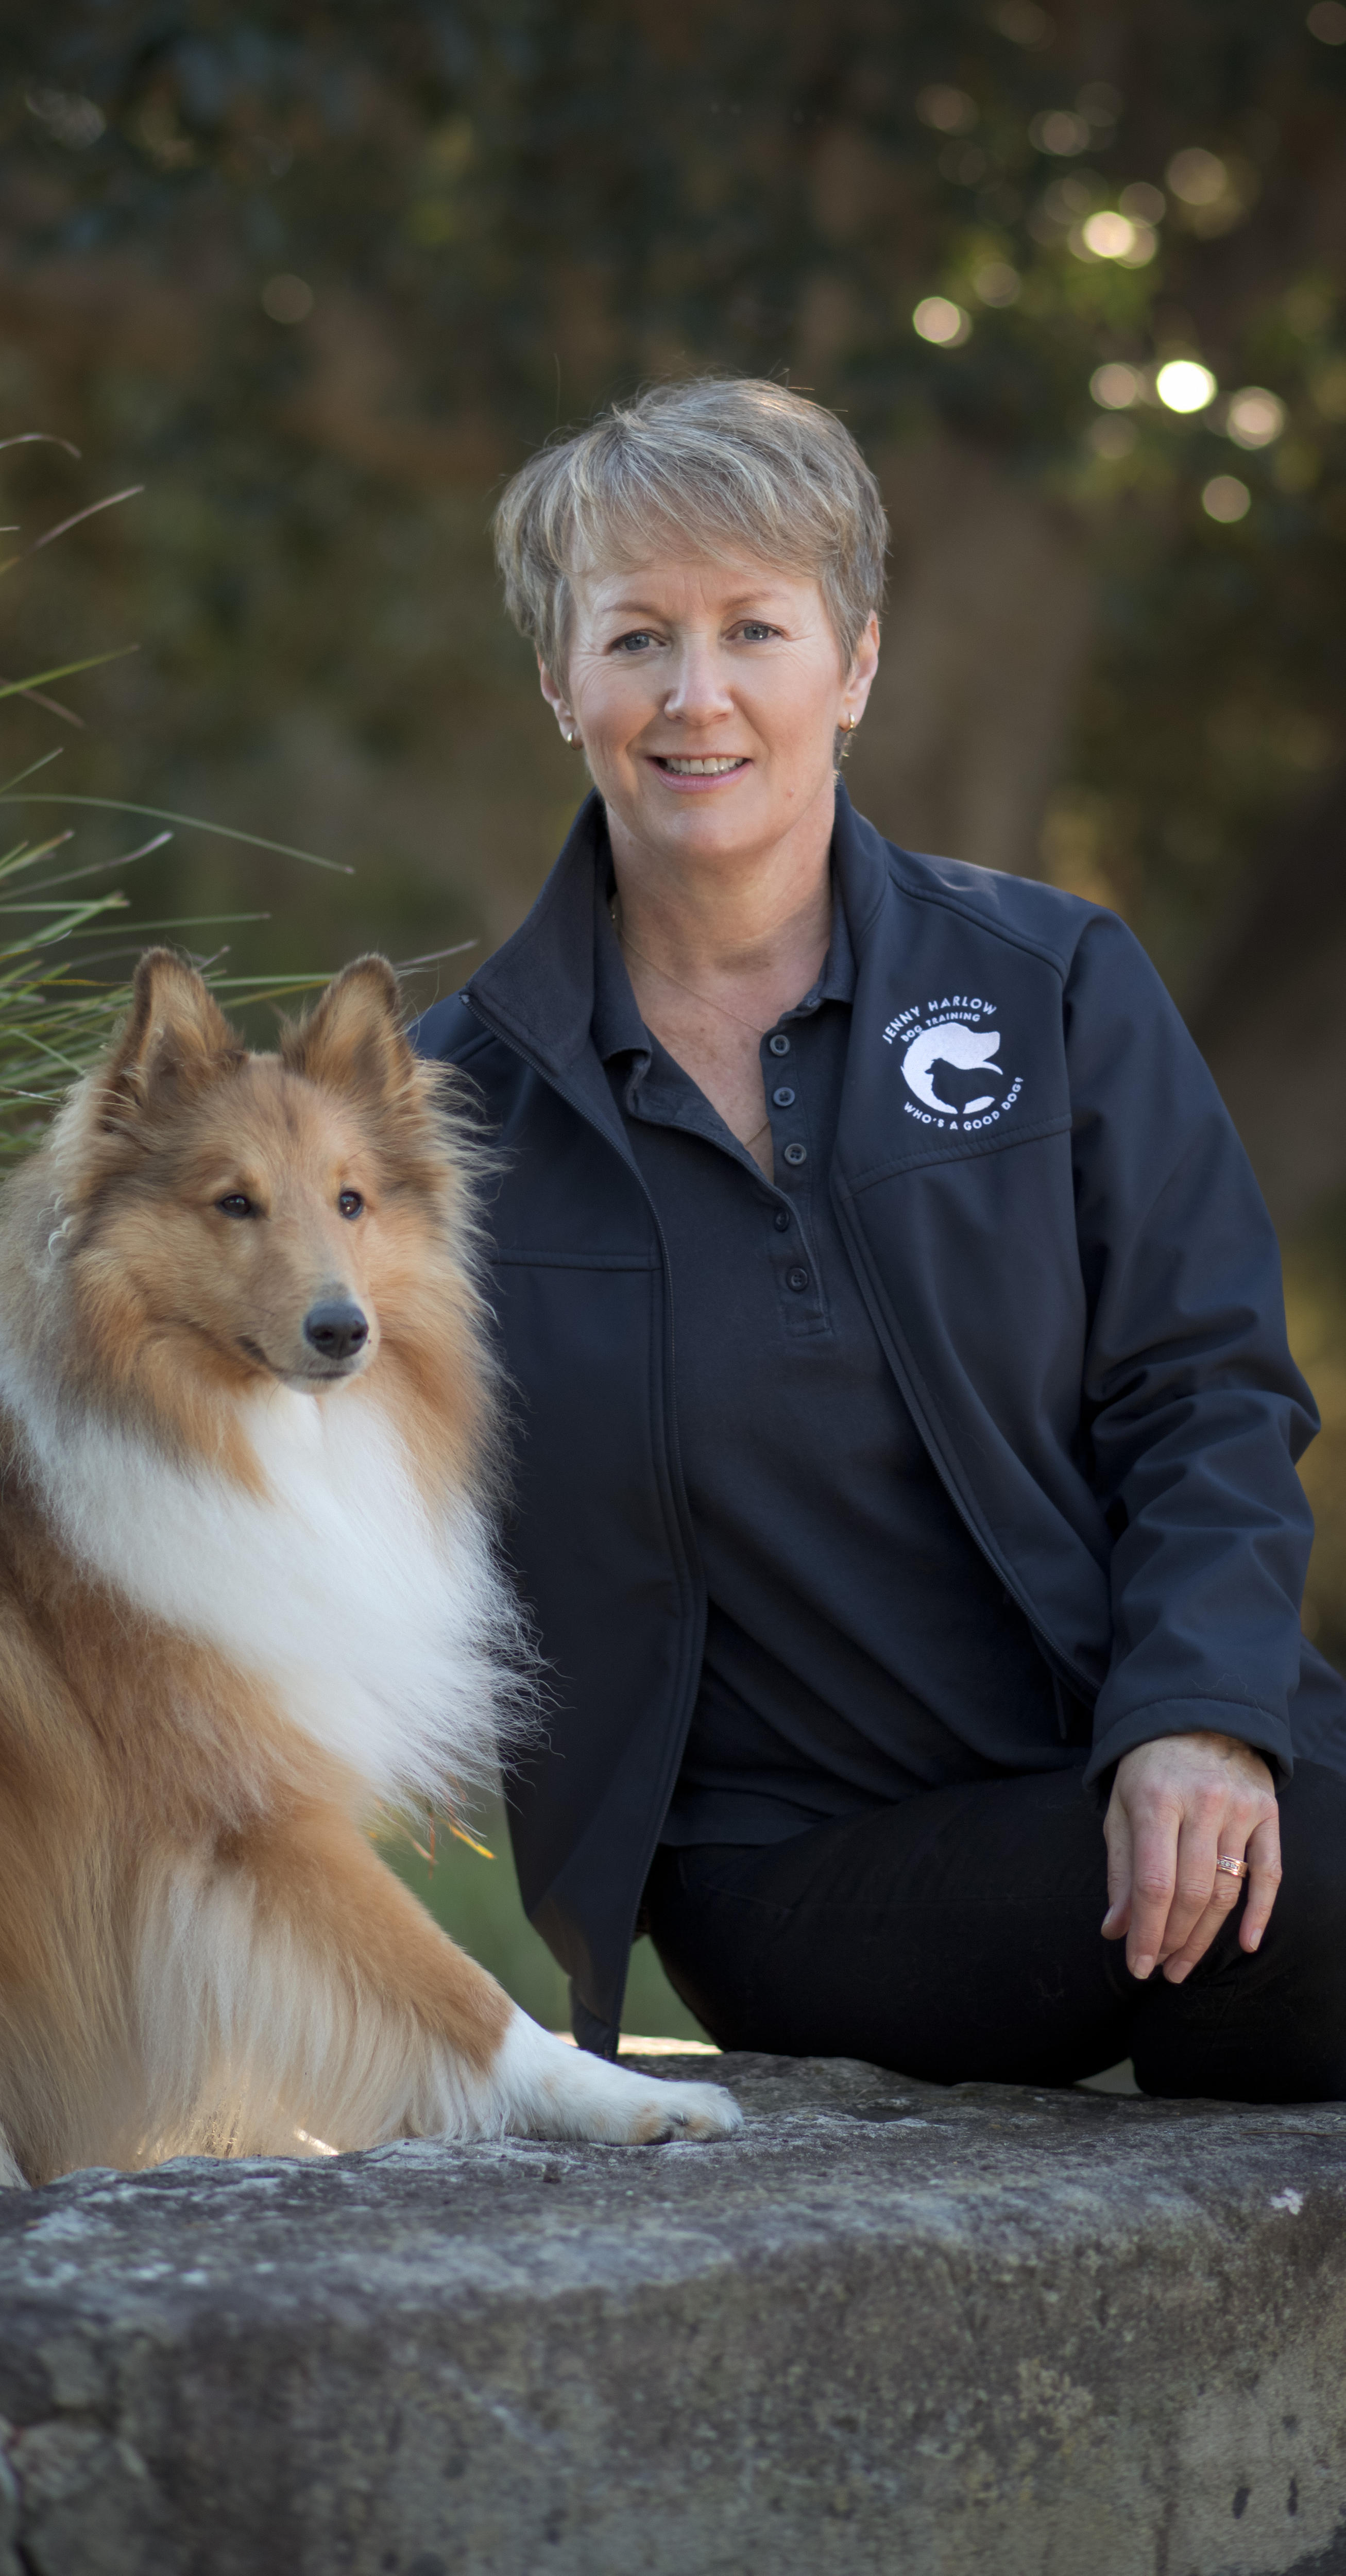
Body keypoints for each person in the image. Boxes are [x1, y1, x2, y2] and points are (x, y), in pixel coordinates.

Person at [415, 376, 1346, 2101]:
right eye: (636, 639)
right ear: (562, 680)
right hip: (802, 1872)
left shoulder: (1056, 984)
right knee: (1325, 1910)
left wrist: (1201, 1718)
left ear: (851, 666)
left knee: (1292, 1866)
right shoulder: (438, 1121)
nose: (697, 696)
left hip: (1137, 1738)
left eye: (755, 628)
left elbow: (1204, 1389)